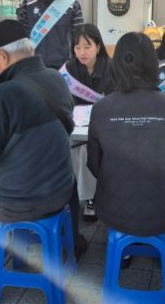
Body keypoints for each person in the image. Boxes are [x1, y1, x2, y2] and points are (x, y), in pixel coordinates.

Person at [0, 19, 87, 303]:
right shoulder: (56, 80)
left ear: (3, 56)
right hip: (61, 193)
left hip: (19, 201)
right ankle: (70, 245)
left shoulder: (4, 95)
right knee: (64, 174)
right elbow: (67, 127)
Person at [87, 32, 165, 250]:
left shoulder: (101, 108)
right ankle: (164, 254)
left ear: (116, 64)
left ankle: (124, 253)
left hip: (115, 208)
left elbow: (93, 163)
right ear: (153, 64)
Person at [60, 24, 115, 221]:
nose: (82, 52)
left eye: (87, 46)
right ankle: (77, 193)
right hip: (77, 125)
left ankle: (90, 197)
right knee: (71, 147)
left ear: (98, 47)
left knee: (86, 149)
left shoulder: (112, 68)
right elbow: (63, 99)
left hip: (105, 126)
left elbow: (117, 100)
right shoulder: (69, 69)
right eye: (77, 47)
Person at [17, 0, 83, 69]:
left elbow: (78, 38)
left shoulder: (72, 5)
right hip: (33, 67)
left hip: (63, 67)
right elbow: (20, 37)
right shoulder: (27, 3)